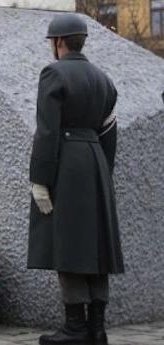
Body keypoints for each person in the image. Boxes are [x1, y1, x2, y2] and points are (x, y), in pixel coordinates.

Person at [27, 14, 124, 345]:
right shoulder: (104, 79)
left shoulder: (53, 73)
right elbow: (109, 132)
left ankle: (74, 327)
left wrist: (40, 178)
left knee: (68, 243)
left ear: (58, 42)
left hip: (67, 164)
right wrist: (102, 173)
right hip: (96, 162)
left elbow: (48, 131)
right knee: (96, 247)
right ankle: (97, 327)